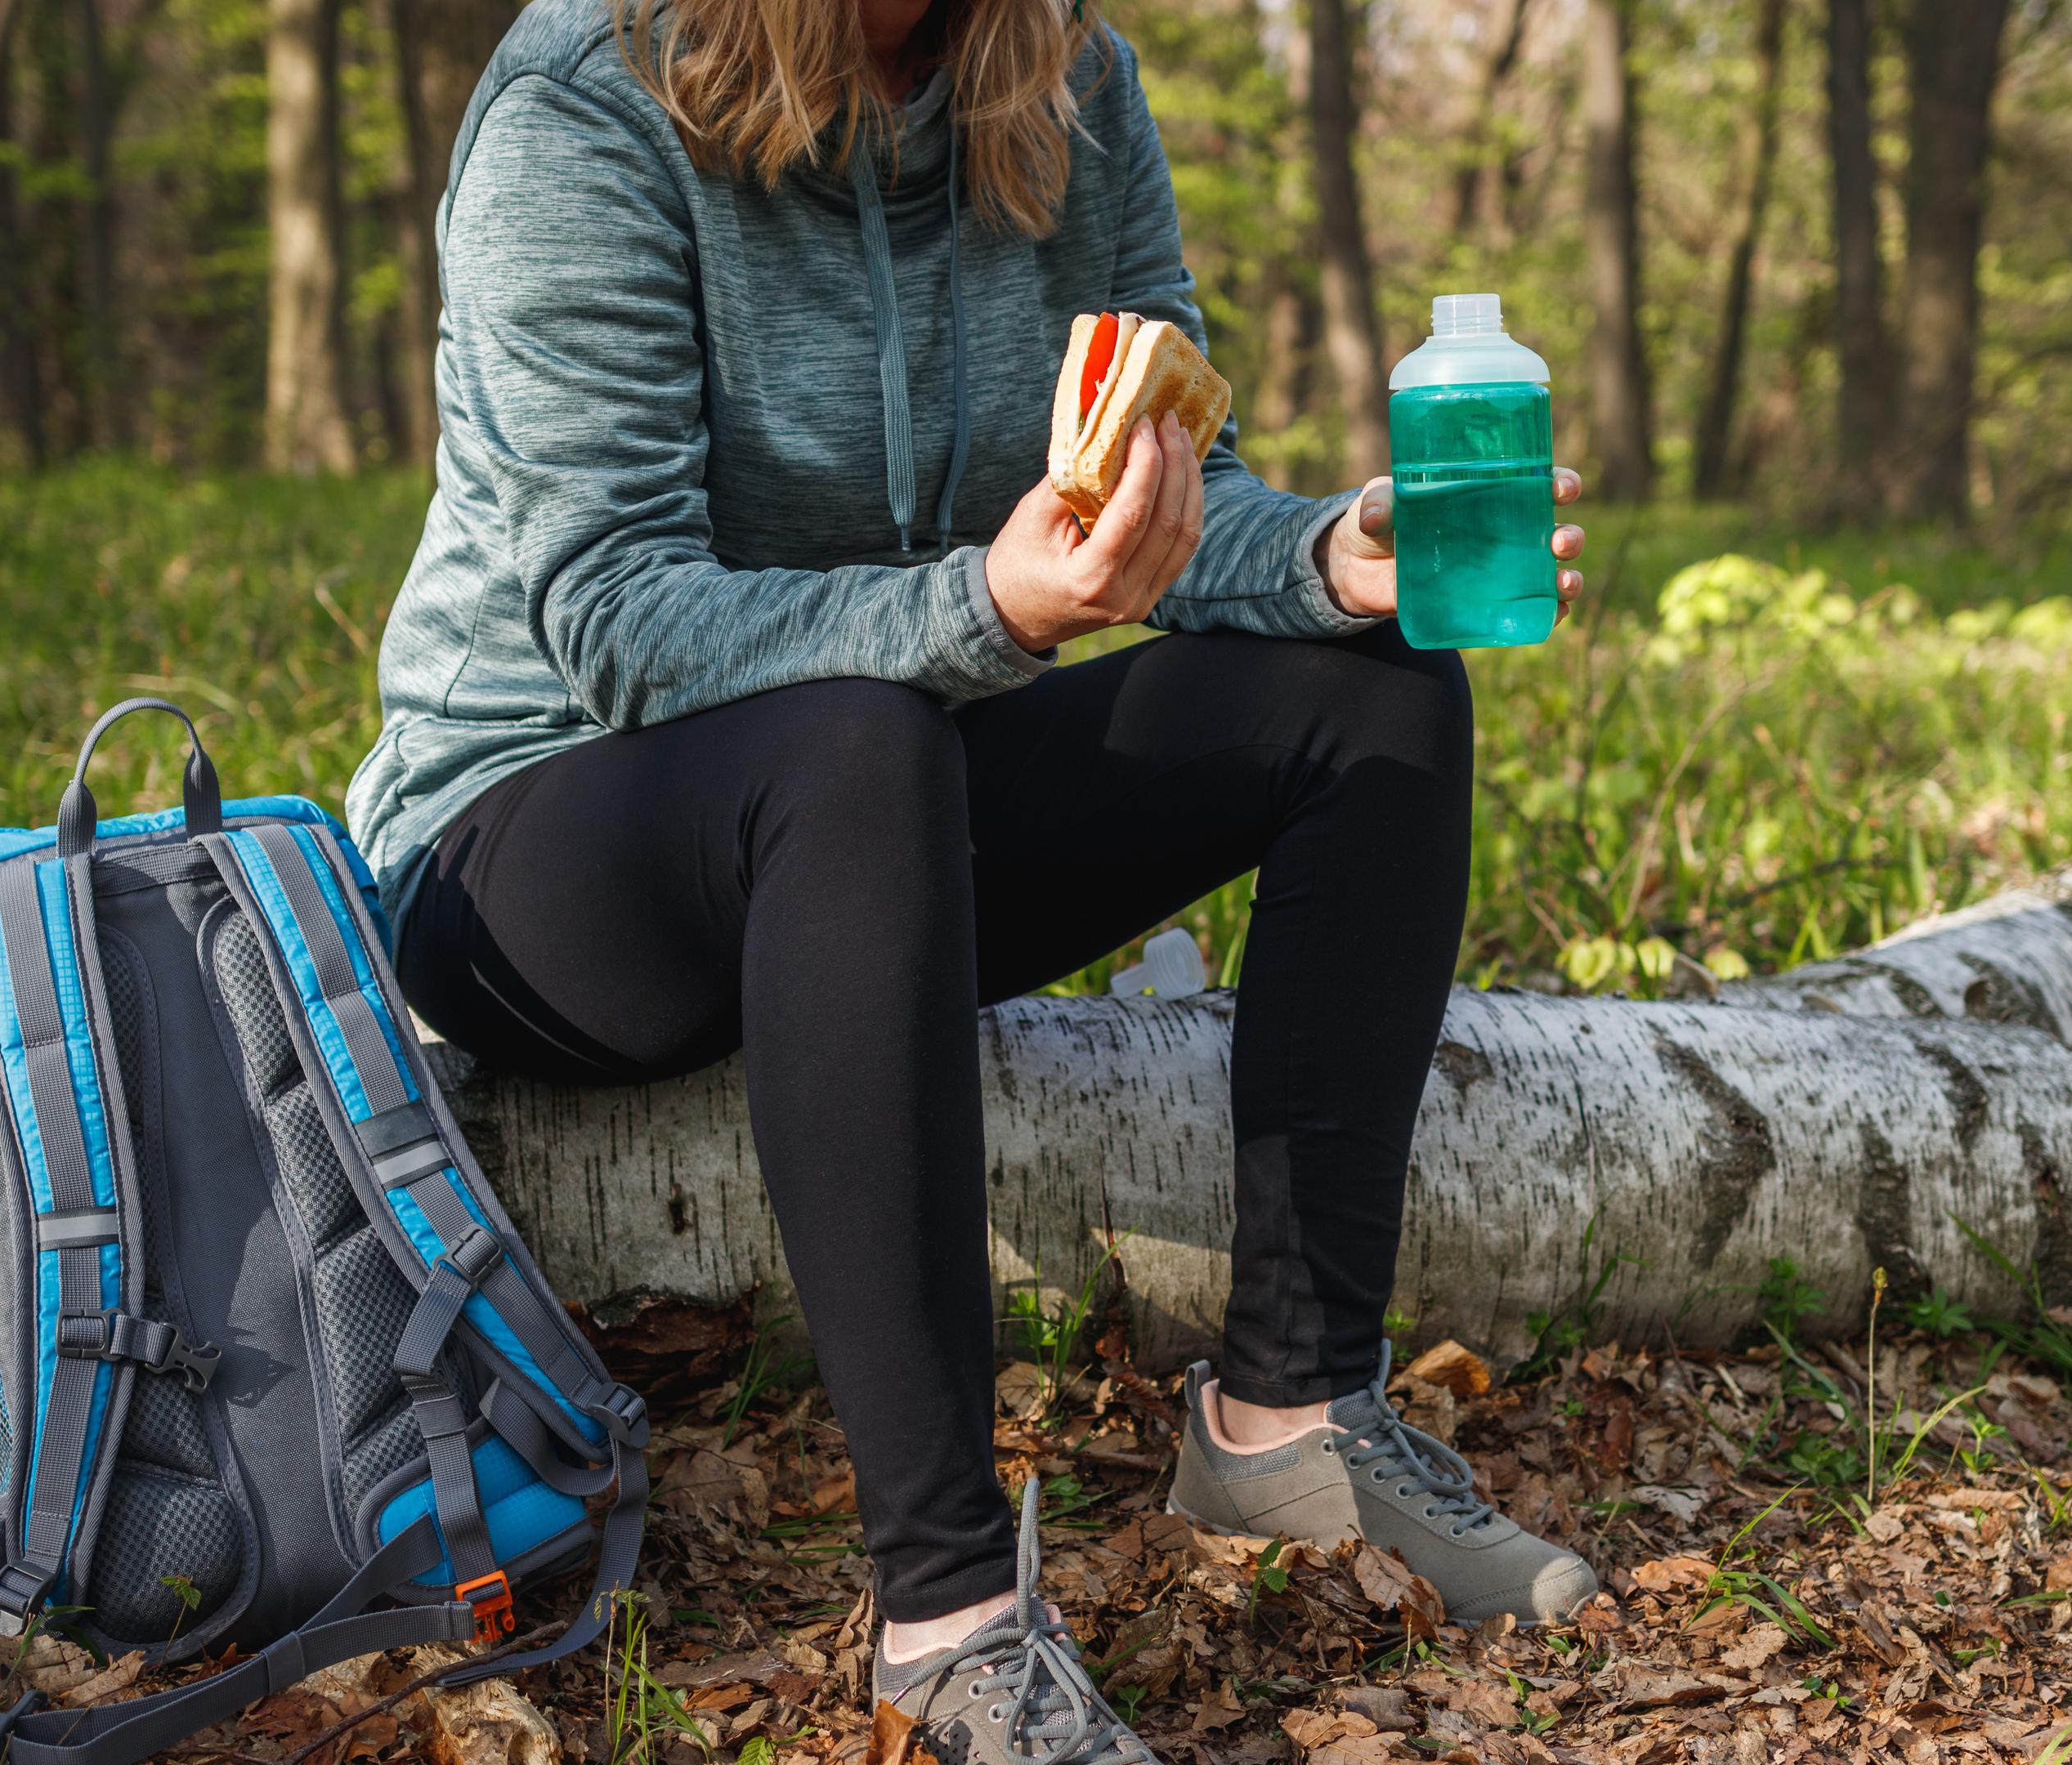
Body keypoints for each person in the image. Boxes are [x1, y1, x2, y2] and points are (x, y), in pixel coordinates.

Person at [345, 0, 1599, 1754]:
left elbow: (1167, 500)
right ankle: (952, 1617)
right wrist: (987, 612)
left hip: (880, 799)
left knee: (1368, 691)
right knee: (855, 741)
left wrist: (1323, 552)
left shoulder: (1062, 82)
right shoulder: (585, 97)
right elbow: (616, 617)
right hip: (543, 846)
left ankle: (1286, 1421)